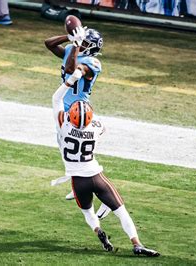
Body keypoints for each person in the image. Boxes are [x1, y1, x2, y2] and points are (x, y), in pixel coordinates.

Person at [50, 55, 160, 256]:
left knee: (88, 212)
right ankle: (136, 244)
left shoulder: (62, 125)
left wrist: (71, 79)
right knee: (121, 211)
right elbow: (98, 124)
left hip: (77, 180)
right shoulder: (96, 128)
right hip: (95, 176)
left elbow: (56, 99)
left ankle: (98, 230)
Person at [45, 26, 112, 217]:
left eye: (85, 42)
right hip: (65, 110)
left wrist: (75, 45)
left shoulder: (93, 62)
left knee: (81, 154)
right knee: (65, 149)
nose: (82, 44)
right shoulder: (72, 50)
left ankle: (104, 199)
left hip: (80, 113)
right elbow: (49, 44)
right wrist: (69, 36)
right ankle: (78, 186)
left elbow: (70, 69)